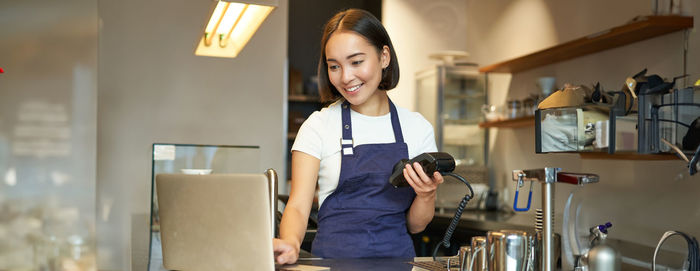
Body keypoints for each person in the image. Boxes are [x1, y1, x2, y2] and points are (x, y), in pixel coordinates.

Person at [273, 9, 443, 264]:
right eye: (334, 66)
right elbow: (297, 206)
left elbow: (416, 226)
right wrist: (290, 243)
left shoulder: (417, 128)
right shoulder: (318, 125)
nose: (345, 77)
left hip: (398, 265)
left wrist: (427, 195)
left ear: (384, 56)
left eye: (356, 62)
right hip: (331, 265)